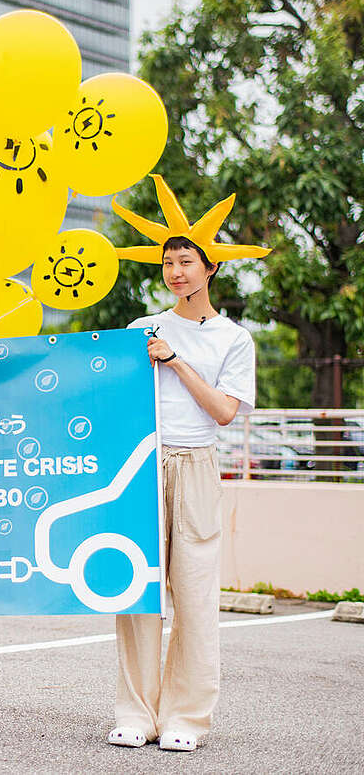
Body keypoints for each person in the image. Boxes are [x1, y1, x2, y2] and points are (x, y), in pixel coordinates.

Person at [107, 234, 256, 752]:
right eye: (168, 262)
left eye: (186, 262)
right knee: (138, 592)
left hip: (196, 464)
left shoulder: (233, 338)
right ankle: (136, 714)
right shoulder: (139, 328)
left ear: (210, 268)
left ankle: (186, 720)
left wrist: (175, 361)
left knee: (194, 596)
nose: (175, 271)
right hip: (143, 463)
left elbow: (223, 411)